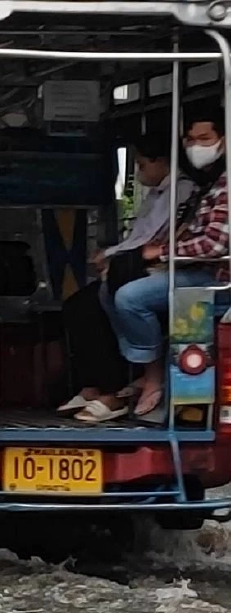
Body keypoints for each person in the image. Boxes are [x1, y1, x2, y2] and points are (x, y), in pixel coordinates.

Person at [62, 132, 196, 421]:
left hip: (164, 267)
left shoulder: (180, 191)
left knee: (99, 304)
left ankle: (114, 387)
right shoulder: (157, 193)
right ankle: (94, 384)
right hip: (143, 263)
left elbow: (149, 239)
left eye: (141, 164)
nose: (138, 171)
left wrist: (111, 254)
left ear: (160, 161)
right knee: (77, 306)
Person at [106, 110, 228, 419]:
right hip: (194, 269)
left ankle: (154, 374)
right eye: (191, 140)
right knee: (112, 288)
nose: (196, 146)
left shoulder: (225, 185)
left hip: (214, 279)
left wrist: (161, 253)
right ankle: (144, 370)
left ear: (223, 142)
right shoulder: (210, 183)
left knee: (130, 297)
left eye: (205, 139)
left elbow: (215, 244)